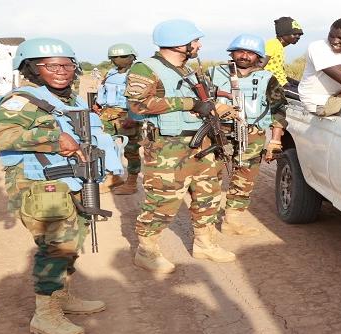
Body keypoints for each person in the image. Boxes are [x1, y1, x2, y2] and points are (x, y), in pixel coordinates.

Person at [0, 38, 123, 334]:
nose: (61, 71)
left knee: (73, 239)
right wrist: (53, 139)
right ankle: (45, 315)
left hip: (72, 180)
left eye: (67, 65)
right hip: (40, 184)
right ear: (31, 69)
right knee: (56, 245)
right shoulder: (22, 100)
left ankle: (61, 297)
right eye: (51, 66)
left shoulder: (70, 99)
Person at [124, 19, 237, 273]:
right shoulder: (145, 68)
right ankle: (147, 251)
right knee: (162, 200)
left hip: (202, 143)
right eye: (195, 41)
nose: (199, 45)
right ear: (178, 43)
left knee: (208, 194)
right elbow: (138, 105)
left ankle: (205, 244)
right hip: (168, 147)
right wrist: (189, 104)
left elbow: (202, 101)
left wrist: (216, 107)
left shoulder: (188, 70)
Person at [211, 34, 287, 235]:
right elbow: (198, 101)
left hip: (251, 134)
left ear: (258, 56)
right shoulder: (214, 73)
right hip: (217, 132)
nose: (244, 56)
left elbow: (278, 110)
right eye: (240, 51)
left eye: (250, 53)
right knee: (209, 178)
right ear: (232, 53)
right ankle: (206, 223)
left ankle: (232, 221)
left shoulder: (267, 78)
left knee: (244, 178)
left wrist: (275, 140)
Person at [92, 43, 142, 195]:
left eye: (123, 56)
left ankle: (131, 183)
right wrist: (98, 104)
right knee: (106, 146)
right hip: (107, 113)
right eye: (114, 57)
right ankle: (112, 177)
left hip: (128, 115)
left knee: (131, 149)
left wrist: (135, 117)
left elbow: (141, 98)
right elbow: (103, 90)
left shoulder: (137, 74)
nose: (119, 59)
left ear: (132, 57)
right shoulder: (111, 73)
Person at [263, 17, 304, 86]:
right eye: (294, 34)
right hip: (275, 87)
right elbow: (260, 66)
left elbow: (280, 74)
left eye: (299, 34)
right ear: (283, 34)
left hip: (282, 84)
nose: (298, 37)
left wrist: (299, 84)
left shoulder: (279, 46)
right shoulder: (273, 44)